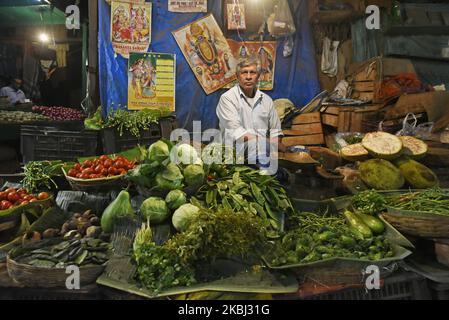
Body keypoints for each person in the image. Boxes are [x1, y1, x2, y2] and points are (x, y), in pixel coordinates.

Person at [216, 56, 288, 171]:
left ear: (258, 76)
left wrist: (274, 144)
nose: (248, 77)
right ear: (237, 76)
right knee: (257, 145)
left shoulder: (266, 100)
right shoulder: (227, 99)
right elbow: (237, 134)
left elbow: (276, 130)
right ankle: (270, 175)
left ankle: (273, 174)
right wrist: (267, 142)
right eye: (244, 72)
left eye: (253, 73)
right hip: (235, 152)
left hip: (262, 151)